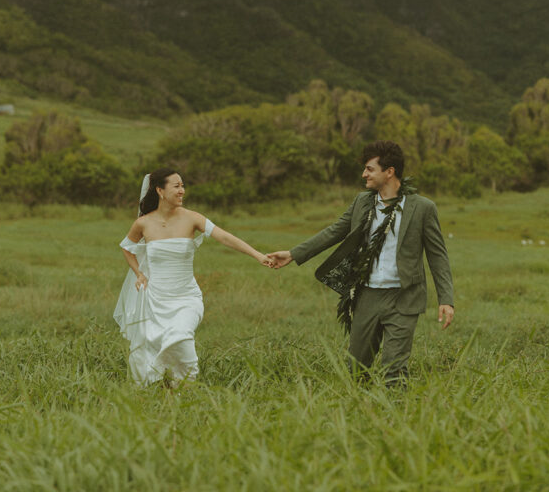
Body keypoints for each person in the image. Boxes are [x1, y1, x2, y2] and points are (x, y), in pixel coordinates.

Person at [267, 140, 454, 385]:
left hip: (404, 297)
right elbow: (334, 231)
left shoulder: (423, 208)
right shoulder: (362, 202)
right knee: (356, 370)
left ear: (389, 172)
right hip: (367, 295)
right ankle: (361, 416)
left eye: (369, 169)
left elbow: (437, 255)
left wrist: (446, 300)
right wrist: (293, 254)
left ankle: (397, 418)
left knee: (394, 372)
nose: (363, 174)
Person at [114, 167, 272, 387]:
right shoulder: (143, 223)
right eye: (176, 186)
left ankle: (186, 387)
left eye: (183, 186)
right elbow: (127, 248)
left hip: (186, 297)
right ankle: (163, 390)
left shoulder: (192, 218)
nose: (182, 191)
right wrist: (139, 273)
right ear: (160, 190)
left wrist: (258, 255)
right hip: (155, 298)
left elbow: (225, 237)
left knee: (181, 336)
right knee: (154, 345)